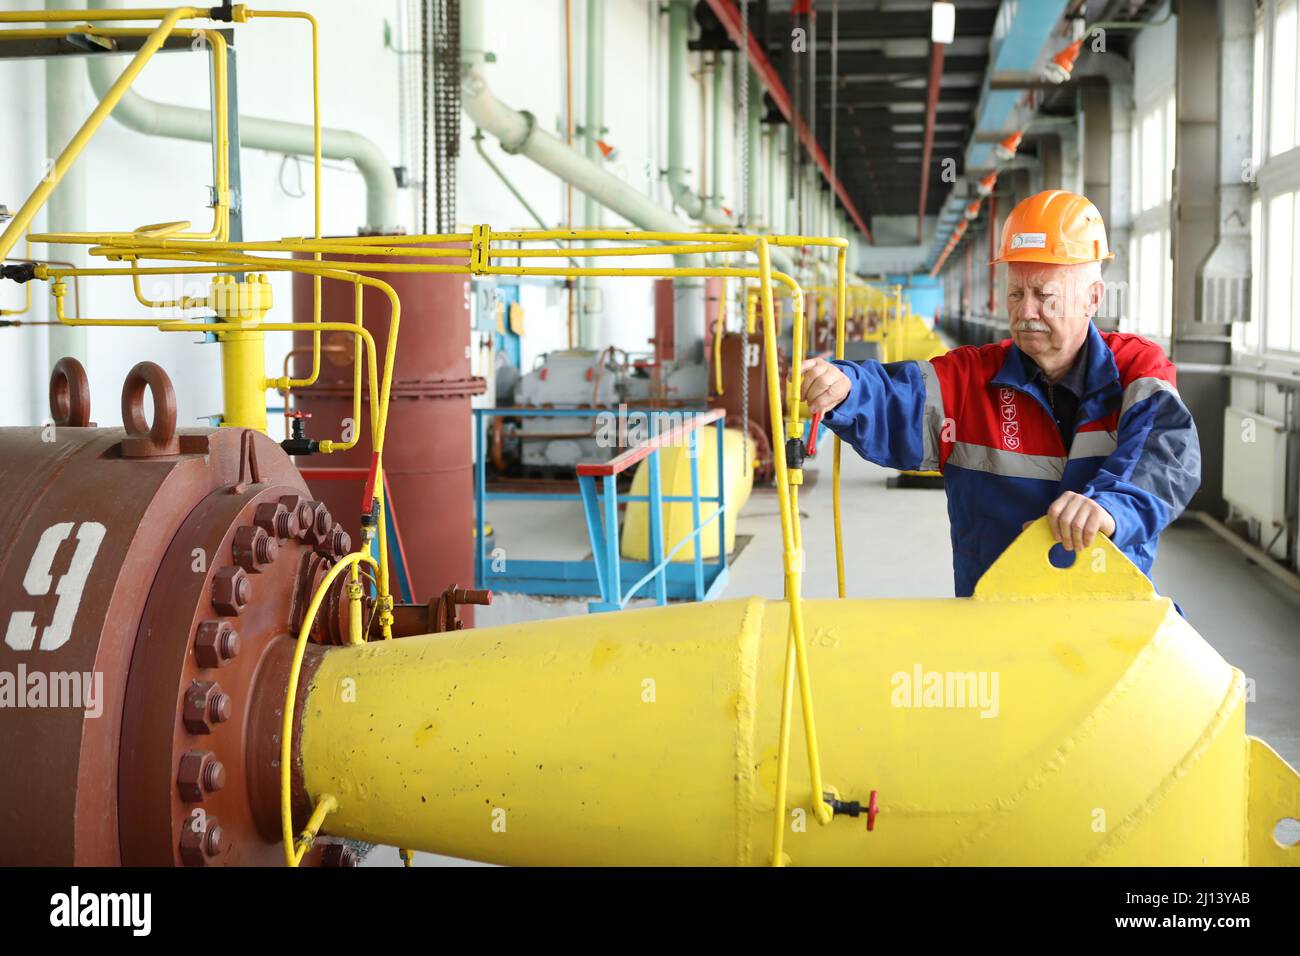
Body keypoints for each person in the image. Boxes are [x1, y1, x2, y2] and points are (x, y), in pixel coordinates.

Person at [800, 189, 1201, 597]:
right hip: (995, 618)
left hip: (1110, 616)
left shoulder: (1136, 370)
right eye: (1015, 293)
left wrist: (1110, 506)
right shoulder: (970, 379)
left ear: (1093, 298)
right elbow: (896, 396)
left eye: (1045, 296)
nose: (1026, 312)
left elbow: (1165, 455)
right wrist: (847, 386)